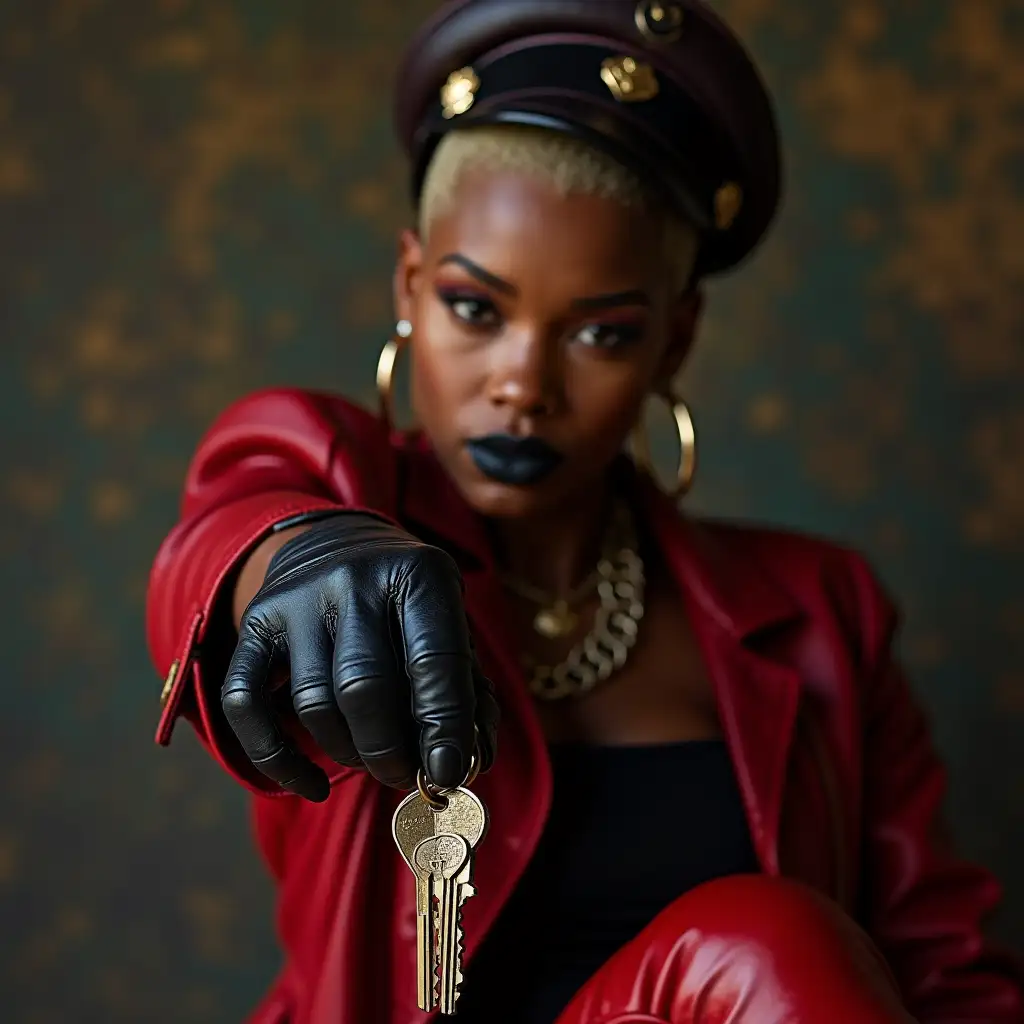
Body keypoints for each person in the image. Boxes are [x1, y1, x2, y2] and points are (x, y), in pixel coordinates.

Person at [145, 1, 1023, 1021]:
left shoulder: (825, 612)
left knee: (765, 946)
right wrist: (292, 558)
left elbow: (941, 973)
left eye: (600, 334)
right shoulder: (334, 486)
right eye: (474, 309)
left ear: (674, 343)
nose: (523, 383)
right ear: (410, 285)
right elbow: (234, 517)